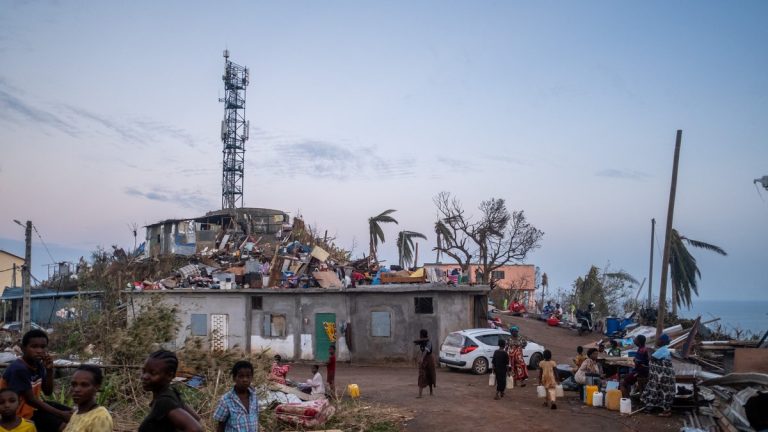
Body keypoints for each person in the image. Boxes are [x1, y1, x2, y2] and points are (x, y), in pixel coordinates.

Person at [0, 329, 71, 431]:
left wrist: (49, 370)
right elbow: (31, 400)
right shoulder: (19, 369)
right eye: (34, 347)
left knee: (73, 413)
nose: (39, 350)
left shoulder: (38, 365)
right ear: (23, 348)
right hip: (18, 413)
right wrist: (60, 414)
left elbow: (47, 391)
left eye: (43, 347)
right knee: (63, 426)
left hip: (32, 408)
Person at [139, 350, 203, 432]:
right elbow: (196, 418)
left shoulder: (164, 401)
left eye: (153, 373)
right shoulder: (171, 391)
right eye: (144, 371)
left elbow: (195, 429)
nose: (144, 376)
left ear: (170, 376)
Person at [62, 364, 113, 432]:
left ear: (97, 387)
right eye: (74, 384)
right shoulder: (76, 414)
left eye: (84, 385)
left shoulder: (100, 417)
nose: (76, 389)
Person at [213, 360, 258, 432]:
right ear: (234, 378)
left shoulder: (254, 396)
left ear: (252, 378)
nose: (245, 379)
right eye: (241, 376)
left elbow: (255, 419)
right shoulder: (226, 399)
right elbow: (221, 425)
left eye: (248, 376)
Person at [642, 334, 676, 417]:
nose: (657, 341)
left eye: (659, 340)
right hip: (662, 376)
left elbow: (651, 358)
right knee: (661, 392)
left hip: (664, 376)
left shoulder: (663, 350)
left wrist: (648, 350)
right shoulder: (662, 349)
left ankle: (666, 411)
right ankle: (658, 408)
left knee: (665, 392)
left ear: (663, 341)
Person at [414, 329, 436, 398]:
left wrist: (421, 359)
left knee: (430, 374)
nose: (419, 336)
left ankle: (431, 391)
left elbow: (425, 352)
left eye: (420, 334)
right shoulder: (422, 341)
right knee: (421, 375)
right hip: (424, 359)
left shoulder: (428, 342)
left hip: (429, 359)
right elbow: (417, 342)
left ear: (422, 335)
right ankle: (420, 394)